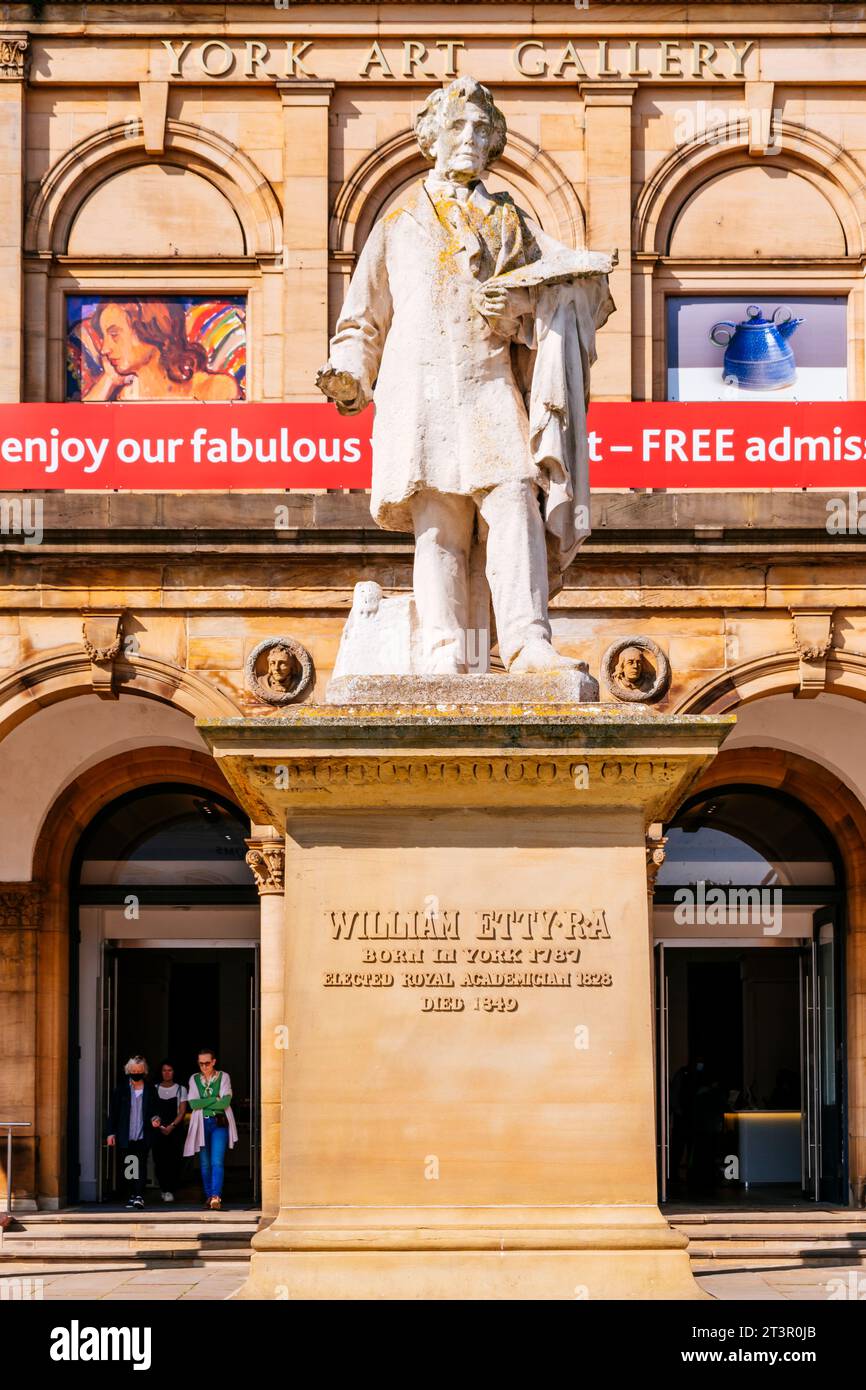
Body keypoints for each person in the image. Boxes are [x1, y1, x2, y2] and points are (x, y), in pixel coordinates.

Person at [318, 75, 614, 676]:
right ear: (432, 136)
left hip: (489, 386)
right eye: (458, 126)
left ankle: (527, 642)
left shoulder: (513, 221)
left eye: (483, 128)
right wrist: (349, 372)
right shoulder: (397, 222)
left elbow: (566, 299)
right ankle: (444, 650)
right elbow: (362, 321)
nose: (471, 138)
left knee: (514, 502)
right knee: (441, 526)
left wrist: (519, 313)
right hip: (421, 393)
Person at [82, 299, 240, 402]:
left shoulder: (216, 389)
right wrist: (109, 380)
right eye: (104, 337)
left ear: (149, 329)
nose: (104, 349)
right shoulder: (124, 398)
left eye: (114, 335)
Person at [184, 1049, 238, 1211]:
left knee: (217, 1161)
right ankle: (209, 1196)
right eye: (201, 1063)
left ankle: (216, 1196)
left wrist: (205, 1102)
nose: (204, 1066)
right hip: (202, 1123)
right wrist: (215, 1099)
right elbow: (193, 1104)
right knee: (205, 1163)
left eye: (207, 1063)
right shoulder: (194, 1079)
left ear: (214, 1062)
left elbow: (225, 1103)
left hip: (219, 1123)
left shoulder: (224, 1076)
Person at [107, 1055, 161, 1209]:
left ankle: (139, 1195)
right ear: (128, 1071)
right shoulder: (121, 1090)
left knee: (141, 1164)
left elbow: (156, 1109)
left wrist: (156, 1118)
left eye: (139, 1070)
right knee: (129, 1166)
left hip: (143, 1134)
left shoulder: (150, 1089)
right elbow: (114, 1113)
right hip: (126, 1135)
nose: (136, 1073)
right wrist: (110, 1133)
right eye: (134, 1070)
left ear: (144, 1072)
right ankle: (132, 1194)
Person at [151, 1060, 188, 1203]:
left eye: (170, 1070)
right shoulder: (154, 1089)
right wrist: (159, 1126)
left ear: (174, 1072)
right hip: (157, 1130)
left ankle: (171, 1189)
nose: (167, 1073)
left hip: (175, 1130)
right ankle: (163, 1188)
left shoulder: (181, 1089)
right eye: (164, 1070)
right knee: (159, 1160)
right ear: (160, 1072)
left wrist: (171, 1126)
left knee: (175, 1160)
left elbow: (182, 1111)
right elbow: (151, 1110)